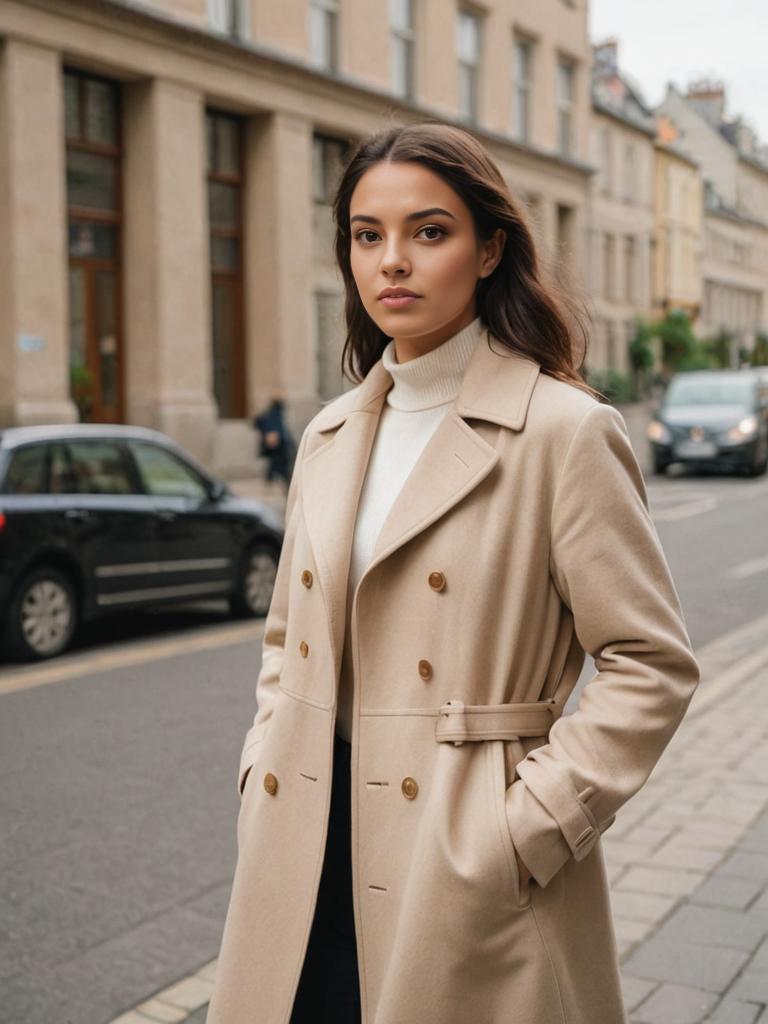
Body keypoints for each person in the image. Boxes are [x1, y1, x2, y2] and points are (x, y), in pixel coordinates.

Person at [207, 120, 700, 1024]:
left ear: (489, 249)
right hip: (304, 835)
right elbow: (287, 642)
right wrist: (259, 767)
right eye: (368, 235)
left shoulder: (562, 431)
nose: (392, 260)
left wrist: (528, 827)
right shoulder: (329, 435)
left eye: (428, 232)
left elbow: (650, 661)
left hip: (462, 851)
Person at [253, 392, 297, 490]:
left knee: (279, 469)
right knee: (279, 469)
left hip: (280, 448)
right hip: (279, 448)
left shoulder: (274, 414)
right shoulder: (273, 415)